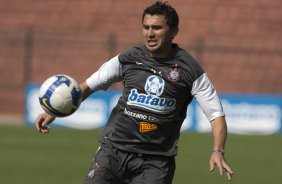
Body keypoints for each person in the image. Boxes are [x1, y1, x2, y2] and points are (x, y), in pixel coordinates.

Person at [35, 1, 234, 183]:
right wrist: (55, 110)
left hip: (156, 162)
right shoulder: (129, 58)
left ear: (174, 31)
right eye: (146, 27)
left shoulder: (190, 70)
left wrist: (218, 150)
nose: (150, 33)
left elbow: (216, 115)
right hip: (113, 152)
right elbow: (88, 86)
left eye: (157, 28)